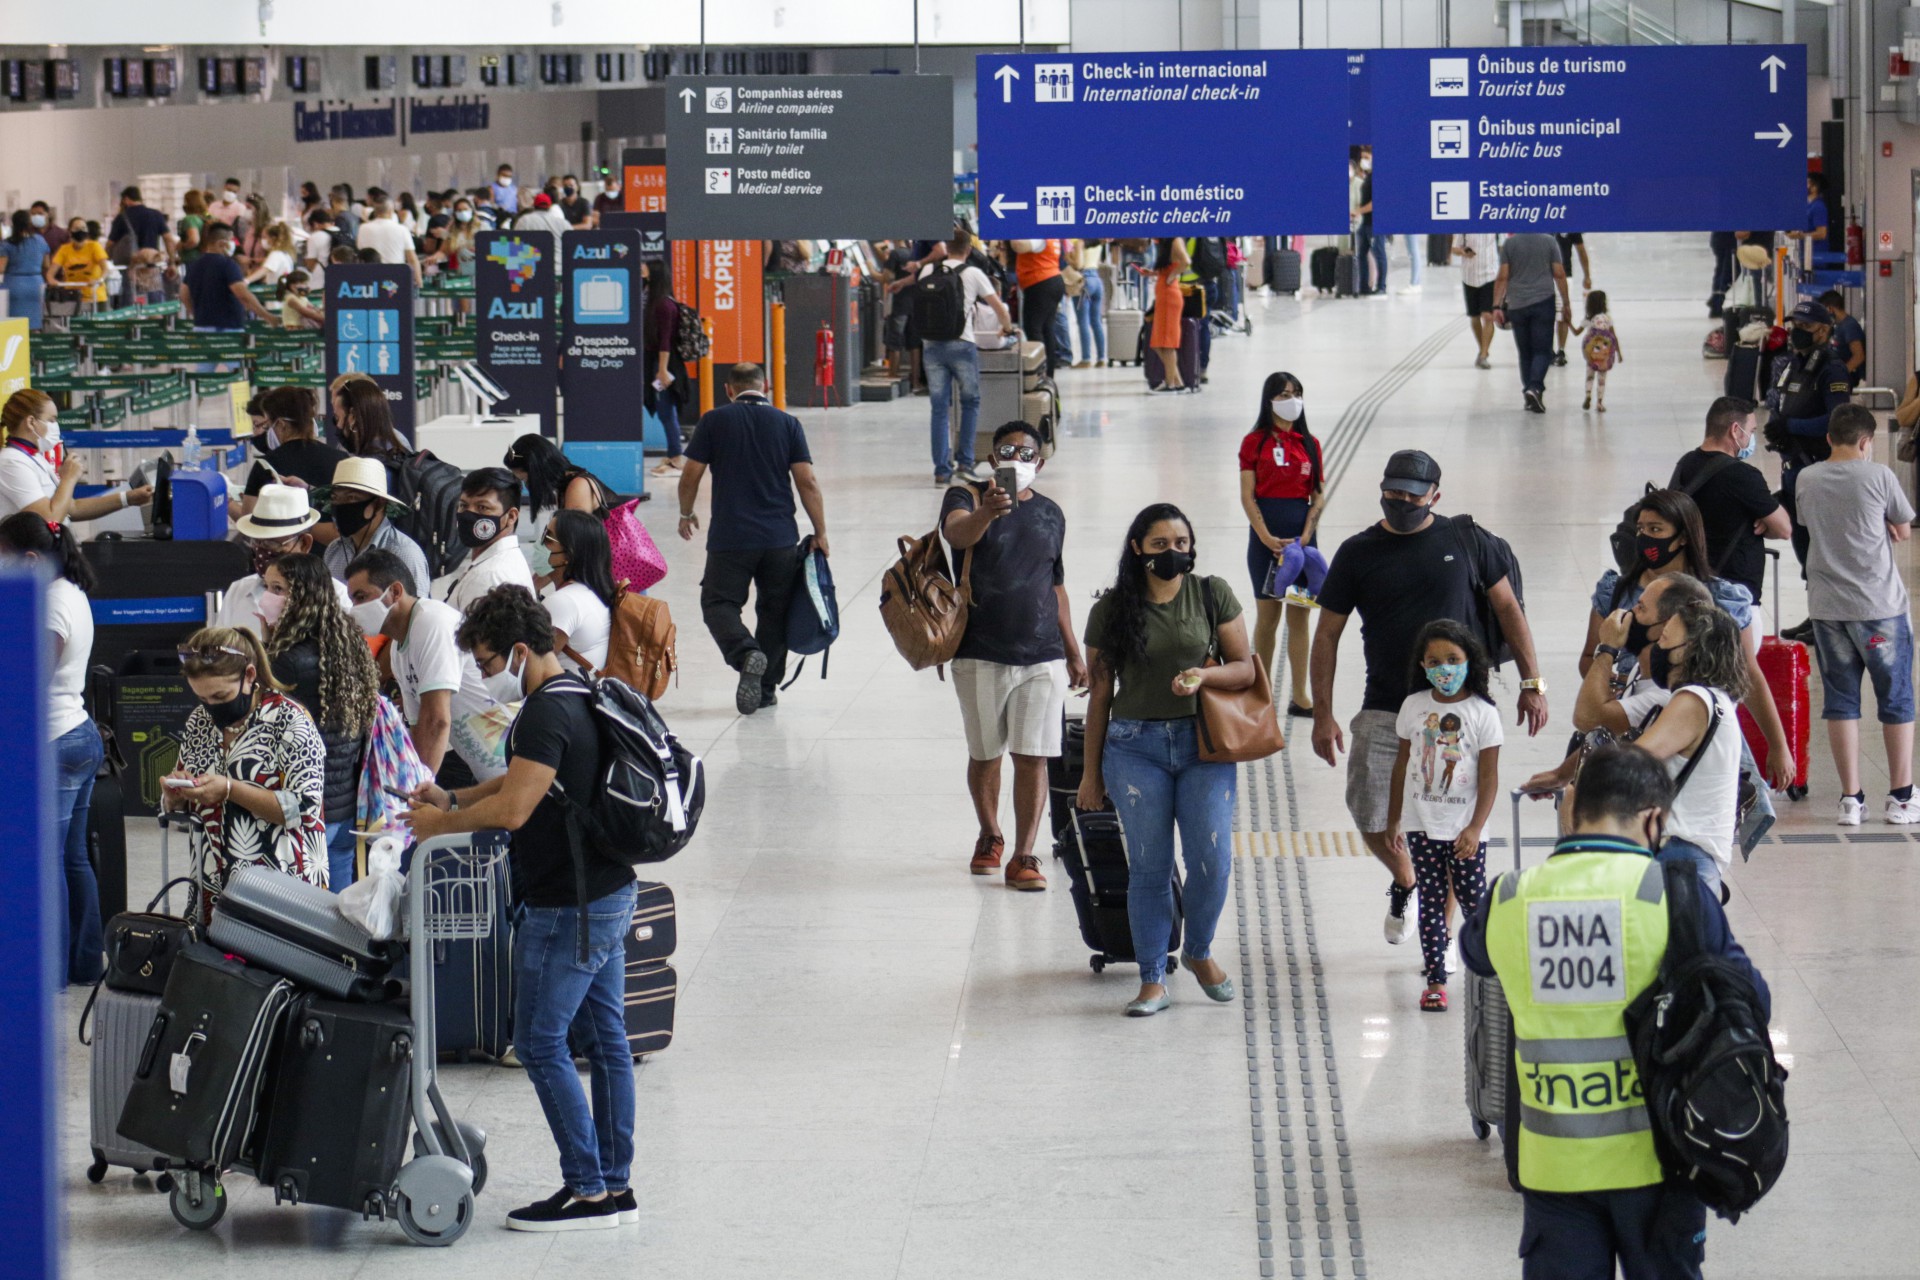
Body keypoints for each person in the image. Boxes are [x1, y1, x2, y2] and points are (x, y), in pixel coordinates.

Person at [1460, 743, 1769, 1280]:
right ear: (1655, 819)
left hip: (1553, 1165)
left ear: (1572, 805)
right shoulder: (1673, 896)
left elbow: (1473, 953)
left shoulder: (1509, 898)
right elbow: (1753, 999)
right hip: (1660, 1160)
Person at [404, 586, 637, 1232]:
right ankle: (615, 1186)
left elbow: (513, 811)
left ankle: (588, 1191)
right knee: (609, 1042)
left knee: (538, 1041)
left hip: (569, 904)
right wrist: (452, 801)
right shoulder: (577, 693)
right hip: (610, 889)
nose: (482, 674)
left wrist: (436, 830)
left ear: (518, 648)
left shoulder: (542, 714)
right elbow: (524, 779)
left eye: (485, 661)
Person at [1311, 450, 1548, 943]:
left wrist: (1532, 682)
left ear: (1434, 497)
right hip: (1386, 701)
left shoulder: (1468, 541)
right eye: (1392, 491)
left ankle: (1438, 939)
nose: (1400, 501)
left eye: (1411, 495)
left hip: (1459, 707)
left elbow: (1508, 609)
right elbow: (1327, 634)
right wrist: (1323, 713)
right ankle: (1408, 878)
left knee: (1454, 820)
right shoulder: (1358, 552)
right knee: (1369, 808)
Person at [1077, 503, 1256, 1017]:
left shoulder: (1211, 593)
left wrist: (1204, 677)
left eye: (1181, 543)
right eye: (1160, 545)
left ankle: (1197, 950)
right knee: (1150, 868)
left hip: (1204, 743)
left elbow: (1244, 669)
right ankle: (1153, 977)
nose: (1173, 553)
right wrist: (1091, 774)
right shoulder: (1112, 610)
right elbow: (1099, 695)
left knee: (1213, 859)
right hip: (1134, 748)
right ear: (1137, 549)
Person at [940, 422, 1086, 891]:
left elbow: (1056, 584)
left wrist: (1072, 649)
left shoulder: (1051, 514)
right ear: (991, 457)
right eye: (1007, 450)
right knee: (985, 754)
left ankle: (1025, 853)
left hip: (1042, 656)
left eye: (1026, 453)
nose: (1016, 458)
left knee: (1033, 757)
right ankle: (990, 833)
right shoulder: (966, 496)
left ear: (1039, 463)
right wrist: (987, 512)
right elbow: (957, 536)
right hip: (980, 651)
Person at [1580, 487, 1792, 789]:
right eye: (1641, 529)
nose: (1646, 538)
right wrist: (1609, 678)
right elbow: (1590, 657)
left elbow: (1747, 672)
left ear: (1682, 537)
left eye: (1656, 529)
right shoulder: (1616, 592)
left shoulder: (1721, 597)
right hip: (1628, 719)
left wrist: (1778, 744)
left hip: (1696, 728)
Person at [1563, 601, 1750, 896]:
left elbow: (1630, 763)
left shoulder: (1694, 699)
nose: (1657, 650)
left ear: (1688, 649)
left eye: (1664, 640)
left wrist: (1578, 792)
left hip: (1679, 859)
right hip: (1692, 860)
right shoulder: (1716, 702)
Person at [677, 364, 829, 714]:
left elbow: (690, 476)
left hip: (730, 537)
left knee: (718, 604)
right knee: (775, 611)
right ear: (768, 387)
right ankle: (766, 690)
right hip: (779, 538)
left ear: (729, 390)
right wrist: (820, 532)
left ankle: (746, 653)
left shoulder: (714, 421)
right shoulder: (787, 423)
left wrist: (686, 513)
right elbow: (807, 482)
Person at [1796, 404, 1916, 824]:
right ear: (1866, 442)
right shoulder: (1879, 475)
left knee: (1841, 701)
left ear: (1829, 438)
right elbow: (1902, 528)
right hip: (1879, 606)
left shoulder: (1806, 478)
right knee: (1896, 698)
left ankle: (1851, 799)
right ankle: (1901, 797)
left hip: (1827, 609)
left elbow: (1811, 525)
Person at [0, 514, 106, 983]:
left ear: (27, 558)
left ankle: (52, 970)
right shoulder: (71, 592)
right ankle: (83, 963)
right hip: (77, 734)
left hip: (54, 742)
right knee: (72, 857)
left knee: (48, 862)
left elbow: (28, 681)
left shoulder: (46, 604)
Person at [1386, 619, 1501, 1014]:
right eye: (1434, 661)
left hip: (1465, 828)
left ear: (1470, 661)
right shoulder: (1413, 707)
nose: (1444, 669)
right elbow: (1402, 765)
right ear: (1422, 665)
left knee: (1473, 900)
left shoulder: (1483, 712)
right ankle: (1436, 980)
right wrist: (1394, 819)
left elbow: (1489, 775)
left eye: (1453, 659)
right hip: (1422, 822)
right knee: (1431, 901)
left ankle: (1494, 974)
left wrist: (1475, 827)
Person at [164, 627, 330, 895]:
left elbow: (303, 810)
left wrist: (230, 789)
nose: (211, 707)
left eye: (220, 697)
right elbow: (189, 802)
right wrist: (175, 795)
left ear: (249, 675)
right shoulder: (199, 720)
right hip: (212, 882)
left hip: (280, 885)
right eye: (201, 698)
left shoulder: (290, 721)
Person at [260, 551, 380, 890]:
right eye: (267, 586)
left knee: (300, 920)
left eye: (278, 588)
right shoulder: (348, 643)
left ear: (303, 596)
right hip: (345, 808)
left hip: (308, 811)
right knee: (337, 912)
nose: (267, 597)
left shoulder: (286, 661)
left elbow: (272, 737)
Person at [345, 547, 497, 781]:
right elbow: (419, 727)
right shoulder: (398, 647)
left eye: (361, 597)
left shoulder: (432, 622)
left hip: (509, 766)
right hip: (485, 773)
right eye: (352, 599)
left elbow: (436, 721)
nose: (355, 609)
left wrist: (417, 792)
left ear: (395, 591)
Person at [1238, 372, 1326, 716]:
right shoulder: (1254, 442)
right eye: (1284, 394)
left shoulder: (1309, 443)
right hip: (1265, 541)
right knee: (1268, 618)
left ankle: (1301, 695)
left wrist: (1305, 535)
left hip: (1303, 542)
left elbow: (1318, 495)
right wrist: (1265, 537)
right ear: (1269, 399)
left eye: (1297, 393)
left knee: (1300, 618)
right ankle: (1262, 693)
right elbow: (1247, 496)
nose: (1292, 400)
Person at [1764, 299, 1852, 607]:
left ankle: (1828, 614)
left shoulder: (1831, 369)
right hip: (1792, 470)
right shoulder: (1794, 364)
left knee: (1821, 548)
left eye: (1805, 326)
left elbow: (1838, 418)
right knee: (1804, 548)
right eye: (1794, 326)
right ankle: (1816, 611)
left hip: (1817, 468)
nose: (1796, 332)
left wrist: (1793, 426)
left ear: (1824, 330)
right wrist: (1778, 425)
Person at [1668, 396, 1790, 606]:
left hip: (1691, 587)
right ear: (1735, 430)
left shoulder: (1685, 464)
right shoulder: (1743, 475)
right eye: (1751, 431)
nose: (1752, 438)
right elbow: (1783, 529)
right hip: (1734, 596)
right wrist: (1763, 522)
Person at [918, 232, 1013, 485]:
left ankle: (941, 470)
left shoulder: (927, 271)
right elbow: (998, 306)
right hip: (962, 344)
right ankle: (965, 463)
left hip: (931, 346)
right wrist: (1007, 327)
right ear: (969, 249)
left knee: (939, 408)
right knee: (970, 402)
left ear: (947, 247)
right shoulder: (973, 274)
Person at [214, 483, 351, 631]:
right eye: (256, 542)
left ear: (304, 544)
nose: (262, 552)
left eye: (272, 544)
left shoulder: (337, 598)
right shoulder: (239, 591)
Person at [0, 389, 152, 523]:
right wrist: (68, 478)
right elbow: (50, 519)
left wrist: (128, 498)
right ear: (31, 422)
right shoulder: (11, 463)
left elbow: (72, 508)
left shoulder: (34, 456)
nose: (55, 426)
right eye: (51, 420)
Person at [504, 434, 618, 580]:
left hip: (614, 574)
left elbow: (569, 550)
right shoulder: (566, 486)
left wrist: (533, 587)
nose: (527, 485)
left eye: (525, 479)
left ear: (538, 471)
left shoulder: (578, 487)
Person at [322, 456, 432, 593]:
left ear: (379, 503)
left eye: (352, 498)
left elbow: (417, 609)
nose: (341, 506)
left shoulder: (404, 553)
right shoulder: (334, 551)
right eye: (335, 498)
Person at [1491, 232, 1572, 413]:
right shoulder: (1549, 242)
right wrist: (1566, 303)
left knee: (1525, 352)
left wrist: (1496, 305)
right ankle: (1534, 388)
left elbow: (1502, 276)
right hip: (1543, 302)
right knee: (1542, 351)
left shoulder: (1510, 244)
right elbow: (1559, 274)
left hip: (1517, 305)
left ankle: (1529, 393)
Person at [436, 467, 535, 612]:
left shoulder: (489, 576)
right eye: (463, 505)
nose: (469, 515)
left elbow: (476, 635)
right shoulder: (503, 561)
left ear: (511, 517)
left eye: (482, 507)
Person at [540, 510, 616, 675]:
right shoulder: (590, 592)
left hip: (560, 696)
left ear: (568, 554)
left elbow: (532, 667)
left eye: (548, 539)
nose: (539, 545)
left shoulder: (563, 602)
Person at [643, 258, 691, 478]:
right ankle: (674, 455)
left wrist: (661, 370)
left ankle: (676, 458)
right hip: (657, 362)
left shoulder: (664, 305)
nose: (641, 270)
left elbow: (665, 341)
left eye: (645, 267)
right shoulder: (652, 300)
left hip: (665, 364)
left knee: (666, 410)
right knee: (664, 410)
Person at [181, 224, 276, 332]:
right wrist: (267, 316)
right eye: (231, 240)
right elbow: (242, 294)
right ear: (221, 243)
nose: (234, 244)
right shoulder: (228, 265)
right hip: (227, 329)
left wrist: (195, 314)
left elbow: (184, 294)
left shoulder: (194, 264)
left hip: (200, 327)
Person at [1011, 237, 1068, 374]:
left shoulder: (1039, 234)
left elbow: (1019, 245)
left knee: (1034, 328)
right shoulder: (1052, 235)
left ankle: (1040, 371)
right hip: (1051, 280)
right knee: (1047, 329)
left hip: (1040, 282)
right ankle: (1048, 373)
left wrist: (1011, 231)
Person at [333, 373, 413, 462]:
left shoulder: (396, 443)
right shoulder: (395, 446)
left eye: (337, 418)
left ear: (353, 416)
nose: (338, 425)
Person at [1147, 238, 1192, 394]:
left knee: (1167, 343)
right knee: (1158, 343)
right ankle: (1177, 382)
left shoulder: (1175, 240)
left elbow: (1186, 261)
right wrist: (1154, 273)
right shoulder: (1165, 243)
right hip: (1164, 296)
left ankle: (1170, 384)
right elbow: (1172, 264)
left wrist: (1172, 276)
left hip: (1169, 297)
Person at [1566, 288, 1621, 412]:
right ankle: (1600, 403)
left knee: (1590, 376)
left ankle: (1588, 395)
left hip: (1592, 353)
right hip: (1605, 354)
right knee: (1602, 379)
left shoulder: (1588, 320)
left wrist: (1568, 322)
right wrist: (1619, 353)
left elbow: (1576, 333)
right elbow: (1613, 336)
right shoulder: (1607, 319)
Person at [1453, 232, 1500, 369]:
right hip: (1469, 276)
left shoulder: (1494, 225)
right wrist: (1463, 251)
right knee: (1474, 317)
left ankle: (1484, 354)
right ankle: (1482, 349)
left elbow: (1502, 244)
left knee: (1488, 316)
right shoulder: (1466, 227)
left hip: (1490, 274)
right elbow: (1454, 248)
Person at [0, 209, 50, 329]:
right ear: (30, 223)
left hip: (14, 285)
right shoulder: (40, 240)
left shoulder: (7, 244)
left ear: (13, 224)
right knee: (35, 323)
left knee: (14, 325)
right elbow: (47, 265)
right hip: (36, 285)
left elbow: (1, 268)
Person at [1550, 231, 1592, 366]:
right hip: (1543, 275)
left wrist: (1587, 275)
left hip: (1564, 275)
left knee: (1563, 313)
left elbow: (1581, 251)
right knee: (1545, 314)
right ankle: (1546, 350)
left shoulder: (1570, 225)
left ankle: (1561, 350)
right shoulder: (1542, 223)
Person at [356, 200, 421, 285]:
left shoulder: (363, 228)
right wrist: (419, 281)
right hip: (395, 278)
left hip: (369, 277)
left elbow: (360, 250)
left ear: (375, 211)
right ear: (391, 211)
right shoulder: (402, 229)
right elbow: (412, 259)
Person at [47, 218, 109, 307]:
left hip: (95, 297)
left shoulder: (94, 246)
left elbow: (105, 269)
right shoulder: (64, 249)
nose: (80, 231)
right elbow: (51, 273)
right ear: (70, 231)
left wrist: (99, 280)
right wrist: (52, 281)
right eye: (76, 228)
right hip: (72, 297)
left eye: (83, 228)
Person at [1351, 147, 1387, 296]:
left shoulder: (1378, 177)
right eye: (1362, 157)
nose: (1364, 160)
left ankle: (1381, 287)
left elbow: (1376, 203)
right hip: (1365, 223)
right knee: (1361, 254)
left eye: (1367, 157)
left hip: (1374, 223)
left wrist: (1358, 211)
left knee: (1379, 253)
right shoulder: (1368, 176)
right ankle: (1364, 286)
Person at [1070, 239, 1108, 367]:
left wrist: (1068, 259)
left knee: (1083, 321)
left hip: (1083, 279)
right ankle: (1101, 358)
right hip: (1097, 279)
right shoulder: (1097, 241)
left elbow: (1078, 265)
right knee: (1096, 321)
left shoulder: (1078, 241)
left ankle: (1086, 359)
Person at [1820, 288, 1866, 388]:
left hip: (1853, 382)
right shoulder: (1837, 326)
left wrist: (1840, 374)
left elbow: (1859, 356)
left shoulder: (1849, 326)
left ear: (1830, 309)